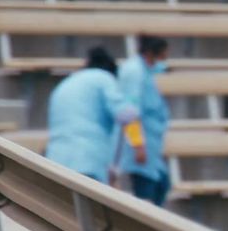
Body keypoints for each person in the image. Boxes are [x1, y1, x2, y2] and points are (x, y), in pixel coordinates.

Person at [45, 47, 145, 184]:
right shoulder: (104, 78)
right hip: (88, 158)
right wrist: (139, 146)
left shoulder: (68, 82)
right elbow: (126, 115)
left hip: (57, 158)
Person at [113, 34, 171, 205]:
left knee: (161, 185)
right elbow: (130, 111)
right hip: (139, 143)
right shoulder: (135, 72)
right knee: (146, 191)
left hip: (150, 143)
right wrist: (138, 145)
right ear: (153, 53)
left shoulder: (146, 70)